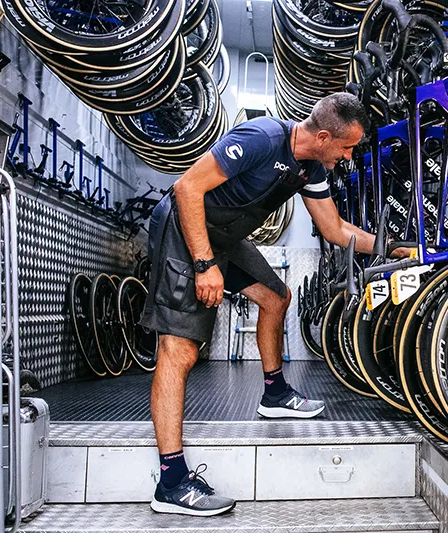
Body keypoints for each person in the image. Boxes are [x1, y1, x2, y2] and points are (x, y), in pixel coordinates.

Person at [140, 92, 409, 517]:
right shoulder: (262, 138)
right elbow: (186, 187)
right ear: (323, 137)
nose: (349, 156)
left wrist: (396, 249)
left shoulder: (311, 168)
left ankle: (275, 393)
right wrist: (205, 264)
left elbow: (335, 228)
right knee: (179, 350)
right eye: (347, 147)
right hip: (185, 230)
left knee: (275, 297)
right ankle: (171, 483)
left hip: (224, 238)